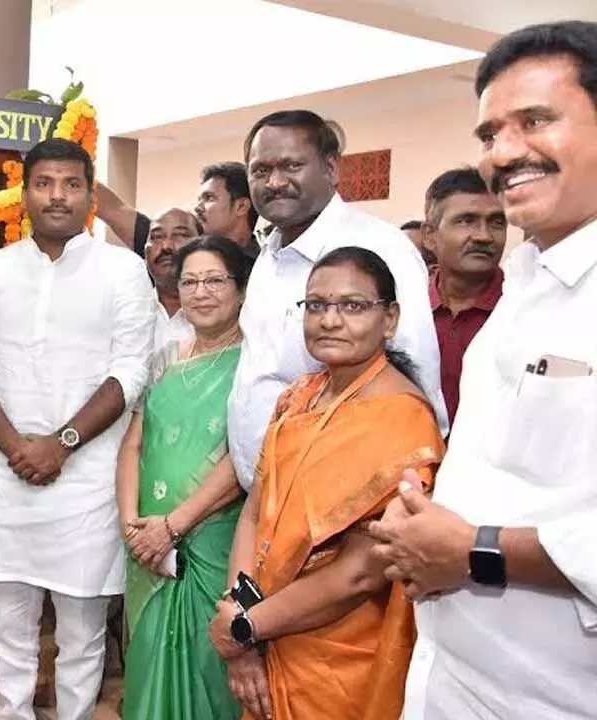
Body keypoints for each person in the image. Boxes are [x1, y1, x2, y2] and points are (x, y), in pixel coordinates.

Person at [369, 21, 597, 720]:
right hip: (456, 680)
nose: (504, 153)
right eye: (490, 134)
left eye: (536, 120)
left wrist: (473, 551)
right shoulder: (528, 277)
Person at [0, 137, 156, 720]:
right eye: (44, 183)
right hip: (4, 473)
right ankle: (10, 713)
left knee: (82, 634)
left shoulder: (123, 271)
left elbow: (131, 369)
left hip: (87, 479)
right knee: (8, 626)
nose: (57, 196)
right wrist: (17, 446)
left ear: (91, 195)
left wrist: (61, 444)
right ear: (24, 194)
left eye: (71, 184)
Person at [210, 247, 445, 720]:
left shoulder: (403, 422)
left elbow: (362, 572)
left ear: (390, 318)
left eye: (352, 306)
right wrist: (242, 615)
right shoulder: (300, 396)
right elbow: (255, 512)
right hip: (264, 626)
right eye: (316, 305)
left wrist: (244, 629)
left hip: (341, 657)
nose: (330, 320)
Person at [228, 110, 447, 493]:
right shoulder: (270, 251)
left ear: (331, 169)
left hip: (345, 505)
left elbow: (414, 380)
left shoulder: (378, 249)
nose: (275, 182)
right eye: (260, 171)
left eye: (292, 166)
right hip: (266, 496)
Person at [116, 236, 252, 720]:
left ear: (241, 289)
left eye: (215, 280)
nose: (200, 292)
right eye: (190, 281)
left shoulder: (255, 368)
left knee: (208, 658)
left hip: (214, 541)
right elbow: (133, 444)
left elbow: (246, 459)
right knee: (149, 651)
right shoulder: (165, 358)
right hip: (147, 546)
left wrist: (173, 525)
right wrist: (133, 525)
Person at [420, 167, 507, 425]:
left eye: (497, 222)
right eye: (466, 220)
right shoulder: (402, 309)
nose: (483, 236)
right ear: (429, 236)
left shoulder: (523, 307)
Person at [145, 209, 201, 349]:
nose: (166, 246)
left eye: (181, 235)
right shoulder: (130, 310)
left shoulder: (222, 313)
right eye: (156, 237)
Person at [195, 162, 260, 259]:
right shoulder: (195, 259)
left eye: (209, 198)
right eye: (199, 200)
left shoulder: (267, 260)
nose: (197, 208)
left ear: (241, 207)